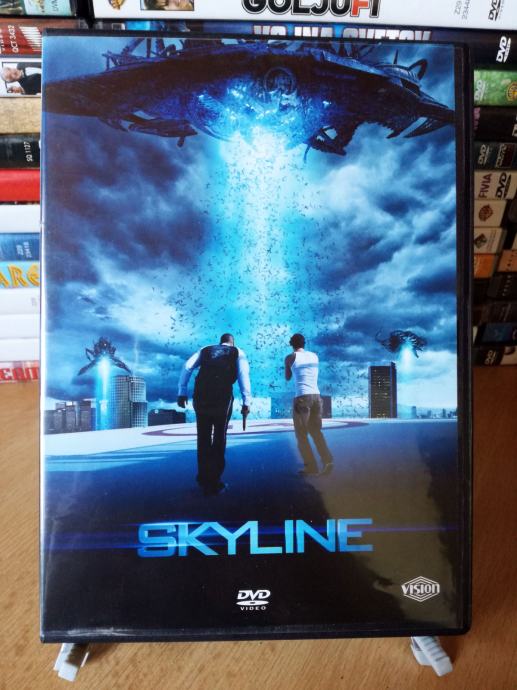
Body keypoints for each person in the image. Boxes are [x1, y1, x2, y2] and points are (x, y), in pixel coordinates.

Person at [177, 333, 251, 495]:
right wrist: (246, 402)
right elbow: (243, 376)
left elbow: (187, 367)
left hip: (201, 395)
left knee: (203, 437)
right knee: (219, 437)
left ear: (220, 342)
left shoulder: (206, 349)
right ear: (232, 343)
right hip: (222, 397)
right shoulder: (238, 352)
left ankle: (203, 478)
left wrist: (182, 392)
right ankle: (214, 482)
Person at [285, 333, 333, 476]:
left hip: (302, 397)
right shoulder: (314, 356)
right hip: (316, 396)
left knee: (301, 435)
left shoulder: (290, 357)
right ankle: (327, 461)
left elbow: (287, 377)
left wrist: (288, 366)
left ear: (291, 344)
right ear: (304, 343)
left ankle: (311, 467)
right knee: (316, 431)